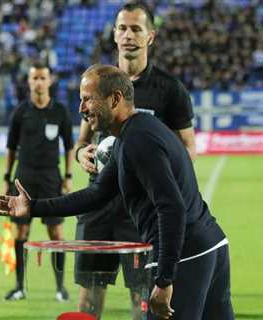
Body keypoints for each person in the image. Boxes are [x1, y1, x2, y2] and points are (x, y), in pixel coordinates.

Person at [0, 64, 234, 320]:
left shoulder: (138, 140)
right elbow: (96, 194)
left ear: (115, 98)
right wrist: (33, 206)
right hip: (211, 244)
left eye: (88, 99)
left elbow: (172, 207)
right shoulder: (131, 136)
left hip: (186, 257)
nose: (81, 108)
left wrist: (164, 279)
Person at [73, 3, 196, 319]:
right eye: (122, 28)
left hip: (140, 211)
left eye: (136, 29)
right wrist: (80, 153)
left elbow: (187, 149)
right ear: (114, 34)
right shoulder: (97, 83)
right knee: (88, 299)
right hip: (98, 204)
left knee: (142, 300)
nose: (128, 35)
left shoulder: (170, 90)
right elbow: (82, 140)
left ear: (150, 37)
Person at [2, 61, 74, 301]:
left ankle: (60, 288)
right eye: (35, 78)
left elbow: (70, 147)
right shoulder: (20, 112)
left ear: (50, 80)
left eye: (43, 78)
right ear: (29, 81)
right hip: (24, 177)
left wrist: (68, 176)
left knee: (56, 232)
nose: (39, 82)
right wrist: (6, 179)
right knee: (21, 230)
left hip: (51, 178)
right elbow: (11, 148)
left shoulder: (60, 111)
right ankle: (20, 286)